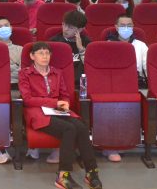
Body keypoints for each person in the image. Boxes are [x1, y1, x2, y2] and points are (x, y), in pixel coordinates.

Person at [18, 42, 103, 189]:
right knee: (69, 129)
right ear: (32, 56)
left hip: (58, 109)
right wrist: (54, 103)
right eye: (40, 53)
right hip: (37, 112)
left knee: (82, 127)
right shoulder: (25, 73)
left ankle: (91, 172)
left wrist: (65, 104)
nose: (45, 56)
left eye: (47, 53)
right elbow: (27, 99)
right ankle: (63, 176)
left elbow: (64, 94)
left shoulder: (57, 72)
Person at [103, 14, 148, 87]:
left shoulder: (141, 45)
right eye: (122, 26)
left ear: (132, 27)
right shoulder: (107, 45)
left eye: (129, 26)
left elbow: (148, 69)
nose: (126, 28)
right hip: (112, 83)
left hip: (136, 84)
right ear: (116, 27)